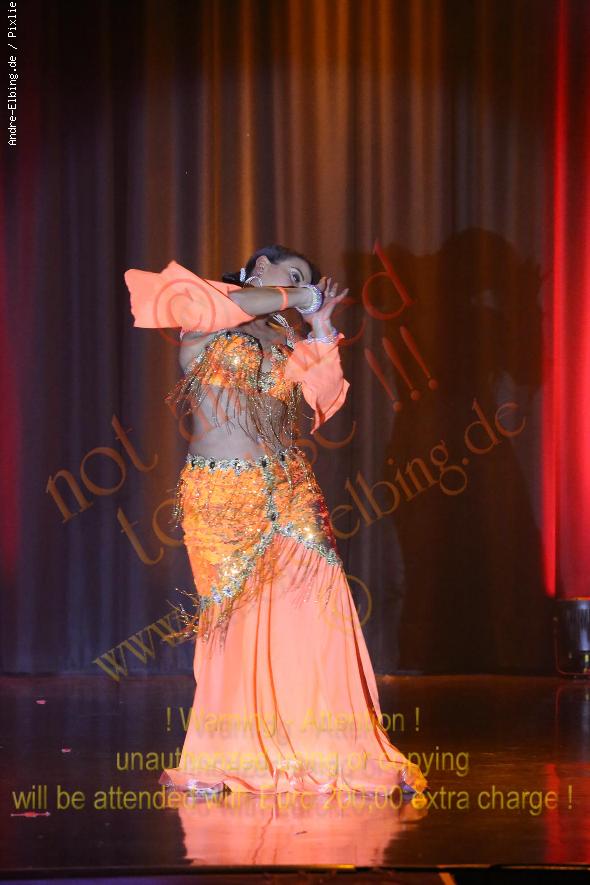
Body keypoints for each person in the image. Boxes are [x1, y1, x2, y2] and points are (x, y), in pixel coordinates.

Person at [124, 245, 428, 798]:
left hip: (290, 487)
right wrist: (300, 294)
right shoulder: (203, 310)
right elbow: (233, 305)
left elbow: (321, 399)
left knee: (318, 615)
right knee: (234, 628)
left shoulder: (285, 336)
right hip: (221, 495)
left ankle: (335, 749)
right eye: (292, 275)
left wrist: (321, 325)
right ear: (259, 268)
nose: (300, 289)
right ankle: (226, 755)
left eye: (306, 281)